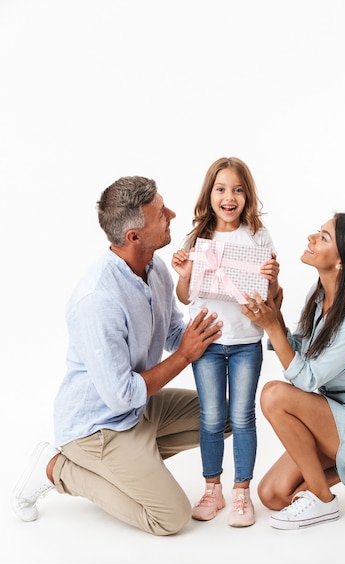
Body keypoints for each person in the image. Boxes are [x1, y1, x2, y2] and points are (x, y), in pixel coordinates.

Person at [11, 175, 231, 536]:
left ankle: (132, 467)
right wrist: (186, 357)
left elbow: (175, 333)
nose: (172, 214)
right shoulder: (97, 300)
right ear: (134, 237)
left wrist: (223, 320)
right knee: (170, 518)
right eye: (161, 214)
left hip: (139, 409)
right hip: (98, 427)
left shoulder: (155, 268)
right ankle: (56, 468)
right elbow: (122, 395)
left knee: (225, 417)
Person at [241, 212, 345, 530]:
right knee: (273, 495)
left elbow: (307, 379)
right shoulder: (319, 295)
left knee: (274, 395)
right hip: (336, 417)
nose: (311, 238)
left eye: (323, 237)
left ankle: (324, 502)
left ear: (342, 261)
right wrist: (272, 317)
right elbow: (301, 349)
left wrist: (272, 328)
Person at [171, 157, 279, 527]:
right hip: (208, 342)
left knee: (242, 417)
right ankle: (212, 489)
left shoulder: (259, 237)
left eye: (237, 189)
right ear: (210, 194)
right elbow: (186, 297)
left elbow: (271, 297)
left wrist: (274, 279)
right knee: (212, 418)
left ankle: (242, 493)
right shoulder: (199, 239)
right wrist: (185, 274)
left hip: (247, 341)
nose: (228, 197)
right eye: (221, 189)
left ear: (247, 196)